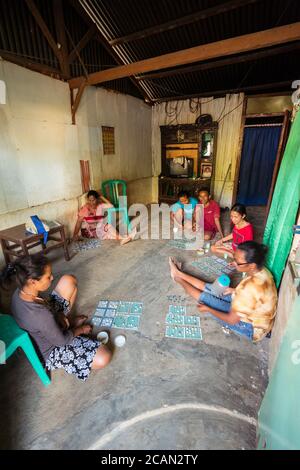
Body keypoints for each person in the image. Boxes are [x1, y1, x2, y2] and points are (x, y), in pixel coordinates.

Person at [0, 254, 112, 381]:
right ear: (33, 281)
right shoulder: (40, 315)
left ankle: (67, 326)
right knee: (104, 356)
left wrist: (59, 317)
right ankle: (69, 329)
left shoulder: (21, 291)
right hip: (50, 350)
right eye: (48, 276)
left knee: (68, 280)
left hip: (45, 327)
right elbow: (61, 342)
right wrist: (81, 330)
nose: (52, 277)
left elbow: (44, 310)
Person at [169, 241, 277, 342]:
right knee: (212, 289)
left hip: (251, 328)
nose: (234, 263)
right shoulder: (262, 271)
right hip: (251, 308)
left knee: (206, 299)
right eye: (234, 258)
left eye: (238, 263)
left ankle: (177, 278)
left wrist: (209, 309)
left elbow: (231, 319)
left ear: (252, 265)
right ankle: (179, 273)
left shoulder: (248, 288)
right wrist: (234, 290)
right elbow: (255, 295)